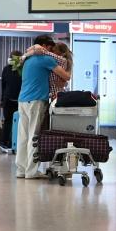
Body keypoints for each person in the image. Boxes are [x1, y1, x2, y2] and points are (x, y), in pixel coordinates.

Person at [16, 34, 72, 179]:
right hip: (36, 101)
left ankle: (21, 170)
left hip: (22, 100)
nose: (51, 50)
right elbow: (66, 76)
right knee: (34, 137)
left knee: (23, 137)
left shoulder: (27, 59)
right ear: (44, 46)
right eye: (50, 47)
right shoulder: (46, 59)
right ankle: (31, 172)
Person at [0, 51, 23, 148]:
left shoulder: (23, 69)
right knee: (8, 121)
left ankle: (12, 142)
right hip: (9, 100)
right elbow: (3, 85)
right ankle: (5, 142)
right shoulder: (7, 69)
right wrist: (2, 100)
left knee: (15, 122)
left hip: (19, 100)